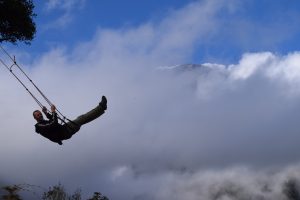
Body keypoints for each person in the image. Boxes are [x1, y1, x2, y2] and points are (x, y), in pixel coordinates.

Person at [33, 96, 107, 145]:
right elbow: (53, 123)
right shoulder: (39, 126)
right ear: (35, 118)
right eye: (38, 115)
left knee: (82, 119)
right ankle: (101, 107)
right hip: (65, 132)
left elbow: (52, 120)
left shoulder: (43, 123)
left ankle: (101, 109)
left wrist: (46, 113)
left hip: (64, 129)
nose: (40, 115)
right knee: (81, 119)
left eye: (40, 113)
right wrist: (53, 111)